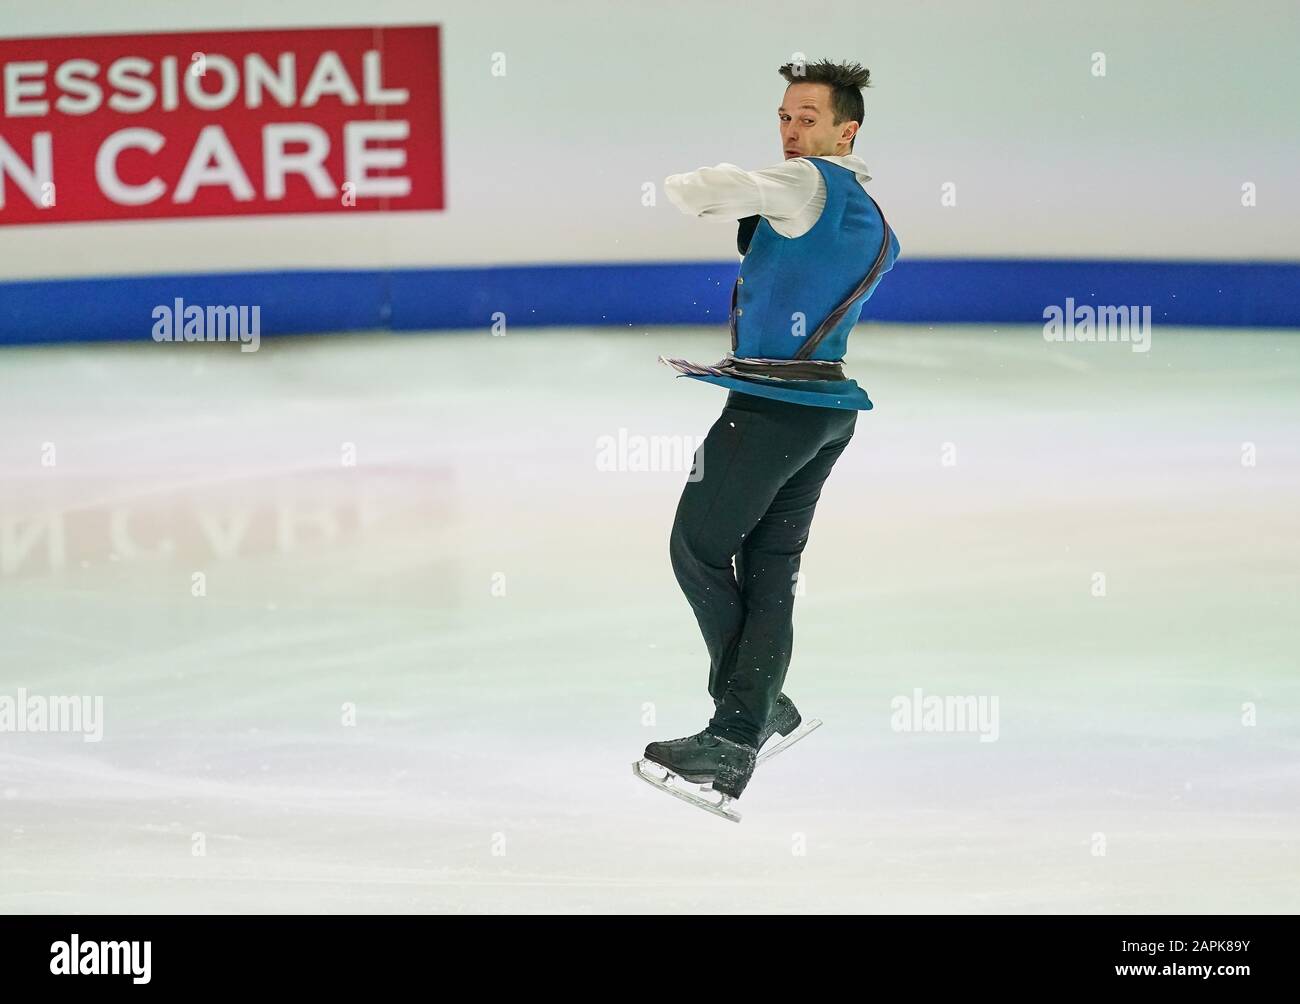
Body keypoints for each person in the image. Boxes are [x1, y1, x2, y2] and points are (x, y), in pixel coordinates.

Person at [642, 58, 902, 808]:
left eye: (808, 119)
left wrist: (697, 191)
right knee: (768, 570)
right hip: (827, 412)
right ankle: (756, 712)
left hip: (770, 412)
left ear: (845, 130)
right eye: (785, 118)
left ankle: (742, 724)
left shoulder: (804, 182)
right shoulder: (870, 216)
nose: (791, 132)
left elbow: (719, 189)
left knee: (695, 546)